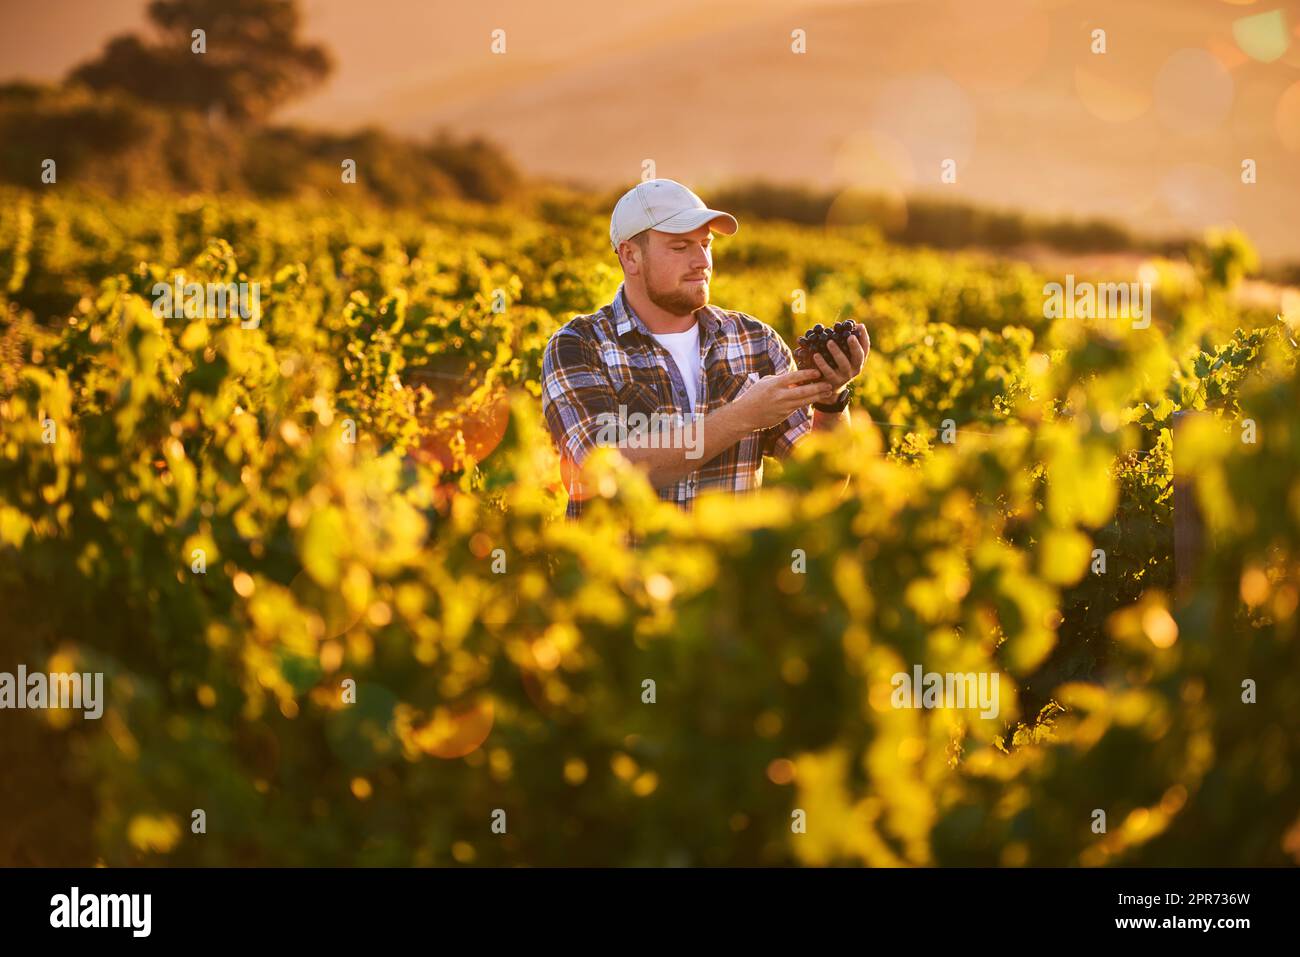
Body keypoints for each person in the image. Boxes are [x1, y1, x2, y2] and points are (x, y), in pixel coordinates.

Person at [541, 178, 869, 518]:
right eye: (680, 247)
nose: (702, 261)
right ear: (630, 256)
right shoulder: (579, 346)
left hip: (727, 572)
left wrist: (831, 402)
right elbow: (602, 470)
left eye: (706, 244)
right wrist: (743, 417)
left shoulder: (757, 341)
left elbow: (820, 485)